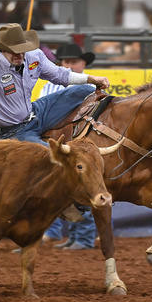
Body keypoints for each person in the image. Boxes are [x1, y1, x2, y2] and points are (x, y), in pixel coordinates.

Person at [0, 23, 109, 146]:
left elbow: (60, 75)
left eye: (23, 50)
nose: (20, 55)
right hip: (12, 130)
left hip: (36, 111)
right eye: (14, 51)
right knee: (51, 156)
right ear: (3, 50)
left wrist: (91, 78)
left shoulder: (34, 57)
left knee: (84, 90)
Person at [40, 43, 98, 250]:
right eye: (66, 62)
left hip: (81, 143)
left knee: (83, 188)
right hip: (57, 144)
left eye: (74, 61)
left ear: (83, 63)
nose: (70, 65)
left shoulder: (92, 87)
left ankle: (83, 237)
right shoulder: (50, 85)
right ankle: (74, 236)